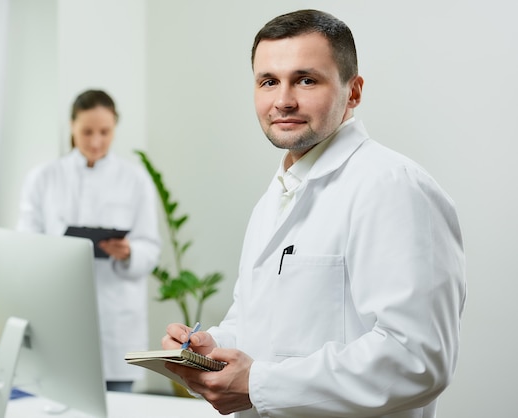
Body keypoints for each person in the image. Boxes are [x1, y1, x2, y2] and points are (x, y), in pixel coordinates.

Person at [162, 9, 466, 417]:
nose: (283, 100)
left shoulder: (393, 187)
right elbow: (257, 322)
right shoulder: (277, 196)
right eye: (268, 81)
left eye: (306, 80)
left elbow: (417, 358)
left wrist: (259, 383)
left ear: (353, 91)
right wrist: (209, 349)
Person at [17, 89, 161, 393]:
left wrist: (128, 252)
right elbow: (24, 248)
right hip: (60, 320)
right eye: (86, 132)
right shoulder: (43, 179)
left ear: (115, 129)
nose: (96, 141)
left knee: (119, 408)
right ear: (71, 126)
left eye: (105, 132)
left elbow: (150, 249)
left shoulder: (135, 180)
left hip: (116, 323)